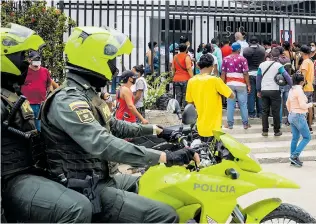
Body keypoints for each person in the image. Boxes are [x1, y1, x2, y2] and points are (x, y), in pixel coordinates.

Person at [40, 26, 199, 223]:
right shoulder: (68, 101)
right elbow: (103, 143)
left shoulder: (87, 94)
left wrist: (157, 130)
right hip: (84, 186)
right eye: (111, 61)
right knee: (165, 215)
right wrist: (165, 156)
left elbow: (114, 125)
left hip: (103, 177)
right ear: (94, 60)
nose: (115, 68)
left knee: (160, 184)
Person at [1, 23, 92, 223]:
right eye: (21, 57)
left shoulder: (11, 96)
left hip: (31, 172)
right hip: (12, 180)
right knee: (77, 208)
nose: (27, 63)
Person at [186, 54, 234, 141]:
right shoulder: (215, 80)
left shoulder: (191, 81)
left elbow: (190, 103)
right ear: (212, 66)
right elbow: (231, 95)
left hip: (200, 126)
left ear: (198, 65)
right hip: (214, 127)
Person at [256, 48, 292, 136]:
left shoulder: (262, 65)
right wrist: (292, 85)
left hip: (264, 90)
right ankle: (277, 131)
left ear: (270, 55)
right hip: (275, 90)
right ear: (279, 56)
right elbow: (286, 76)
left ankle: (265, 131)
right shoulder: (278, 65)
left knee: (265, 111)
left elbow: (258, 78)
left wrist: (258, 90)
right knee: (275, 111)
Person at [221, 42, 251, 129]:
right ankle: (245, 124)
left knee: (230, 104)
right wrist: (248, 85)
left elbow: (223, 73)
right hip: (241, 84)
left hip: (229, 84)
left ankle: (230, 124)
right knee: (243, 104)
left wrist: (222, 85)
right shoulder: (243, 59)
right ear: (239, 49)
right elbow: (245, 73)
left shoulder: (225, 59)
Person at [286, 73, 314, 167]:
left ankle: (293, 158)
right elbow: (302, 105)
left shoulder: (291, 90)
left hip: (292, 115)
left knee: (295, 138)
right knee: (307, 137)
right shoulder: (299, 91)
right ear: (302, 82)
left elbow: (287, 103)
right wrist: (310, 105)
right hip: (298, 115)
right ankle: (294, 156)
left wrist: (291, 112)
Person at [20, 50, 53, 131]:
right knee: (28, 128)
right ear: (29, 60)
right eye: (34, 60)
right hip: (27, 106)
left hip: (41, 104)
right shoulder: (24, 71)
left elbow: (49, 84)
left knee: (40, 128)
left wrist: (49, 96)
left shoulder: (45, 71)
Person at [243, 36, 266, 118]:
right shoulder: (262, 50)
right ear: (257, 42)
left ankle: (251, 113)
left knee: (251, 94)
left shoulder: (246, 50)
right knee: (259, 93)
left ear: (249, 42)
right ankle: (260, 113)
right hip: (259, 73)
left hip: (250, 73)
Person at [172, 43, 194, 109]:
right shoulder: (187, 57)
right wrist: (192, 77)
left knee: (178, 95)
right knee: (185, 94)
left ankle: (177, 108)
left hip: (176, 78)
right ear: (186, 49)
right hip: (185, 78)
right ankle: (185, 108)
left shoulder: (175, 57)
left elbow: (173, 68)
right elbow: (188, 68)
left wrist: (173, 75)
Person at [300, 45, 315, 133]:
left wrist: (300, 86)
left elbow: (303, 76)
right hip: (310, 87)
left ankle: (304, 128)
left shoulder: (305, 62)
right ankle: (309, 127)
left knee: (303, 108)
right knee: (309, 108)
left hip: (304, 88)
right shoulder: (310, 61)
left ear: (302, 52)